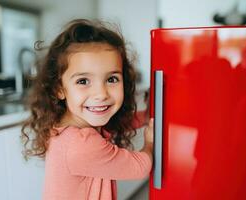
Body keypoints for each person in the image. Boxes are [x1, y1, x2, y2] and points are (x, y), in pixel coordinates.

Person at [21, 19, 154, 200]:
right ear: (59, 89)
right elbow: (140, 168)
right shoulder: (81, 145)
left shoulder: (72, 125)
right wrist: (150, 143)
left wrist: (145, 117)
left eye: (112, 79)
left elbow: (120, 124)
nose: (101, 94)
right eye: (83, 81)